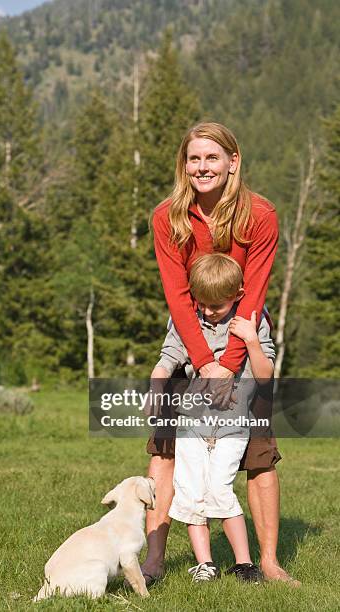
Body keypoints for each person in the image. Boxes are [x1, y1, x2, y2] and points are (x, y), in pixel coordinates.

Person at [142, 121, 299, 586]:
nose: (202, 166)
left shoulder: (260, 214)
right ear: (184, 164)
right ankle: (154, 558)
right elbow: (176, 295)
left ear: (233, 161)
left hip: (247, 335)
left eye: (212, 157)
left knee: (257, 452)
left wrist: (229, 366)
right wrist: (203, 363)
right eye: (194, 158)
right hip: (188, 335)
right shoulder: (167, 216)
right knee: (166, 450)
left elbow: (254, 294)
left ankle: (266, 561)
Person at [152, 253, 274, 583]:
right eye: (201, 304)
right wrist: (155, 384)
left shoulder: (252, 321)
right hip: (191, 422)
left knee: (220, 489)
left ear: (237, 295)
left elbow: (265, 376)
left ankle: (245, 563)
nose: (207, 312)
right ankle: (205, 564)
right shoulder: (191, 318)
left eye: (215, 307)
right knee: (190, 491)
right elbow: (168, 358)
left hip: (232, 426)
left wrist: (250, 340)